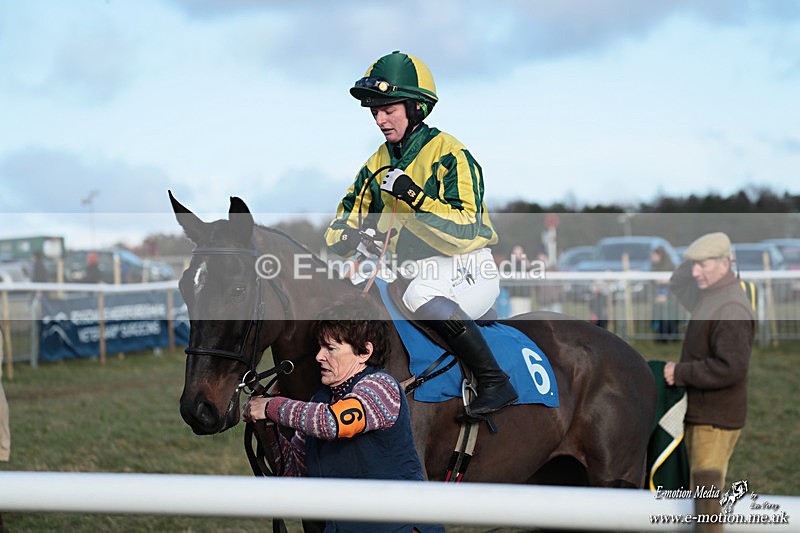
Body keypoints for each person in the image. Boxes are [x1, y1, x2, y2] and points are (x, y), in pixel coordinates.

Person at [323, 51, 517, 418]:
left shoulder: (451, 154)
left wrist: (414, 196)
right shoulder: (376, 164)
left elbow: (466, 229)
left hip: (466, 265)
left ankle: (495, 381)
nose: (379, 119)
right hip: (406, 270)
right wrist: (351, 238)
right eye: (374, 111)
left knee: (420, 292)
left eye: (388, 109)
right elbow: (338, 226)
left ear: (415, 107)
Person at [242, 297, 443, 533]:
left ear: (364, 352)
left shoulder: (380, 387)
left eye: (330, 348)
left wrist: (272, 406)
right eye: (319, 347)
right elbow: (293, 472)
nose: (319, 356)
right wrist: (268, 425)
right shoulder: (320, 400)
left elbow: (333, 422)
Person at [663, 232, 755, 487]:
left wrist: (679, 373)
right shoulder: (710, 293)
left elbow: (731, 368)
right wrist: (694, 255)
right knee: (696, 493)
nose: (695, 272)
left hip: (714, 420)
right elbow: (677, 284)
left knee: (704, 497)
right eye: (693, 265)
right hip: (703, 413)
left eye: (703, 265)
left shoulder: (730, 308)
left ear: (725, 264)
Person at [650, 245, 678, 343]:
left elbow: (676, 281)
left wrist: (667, 282)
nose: (653, 258)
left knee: (671, 317)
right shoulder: (653, 267)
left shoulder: (671, 266)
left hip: (670, 297)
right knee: (660, 317)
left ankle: (674, 336)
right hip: (658, 297)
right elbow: (651, 282)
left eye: (654, 255)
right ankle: (661, 337)